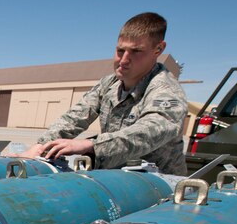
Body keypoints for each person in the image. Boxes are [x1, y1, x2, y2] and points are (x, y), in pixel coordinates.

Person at [19, 12, 187, 175]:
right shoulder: (109, 84)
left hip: (159, 185)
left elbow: (152, 131)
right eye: (120, 50)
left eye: (136, 51)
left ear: (158, 49)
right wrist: (41, 146)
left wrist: (91, 145)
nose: (124, 60)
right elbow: (74, 118)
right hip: (113, 179)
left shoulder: (165, 90)